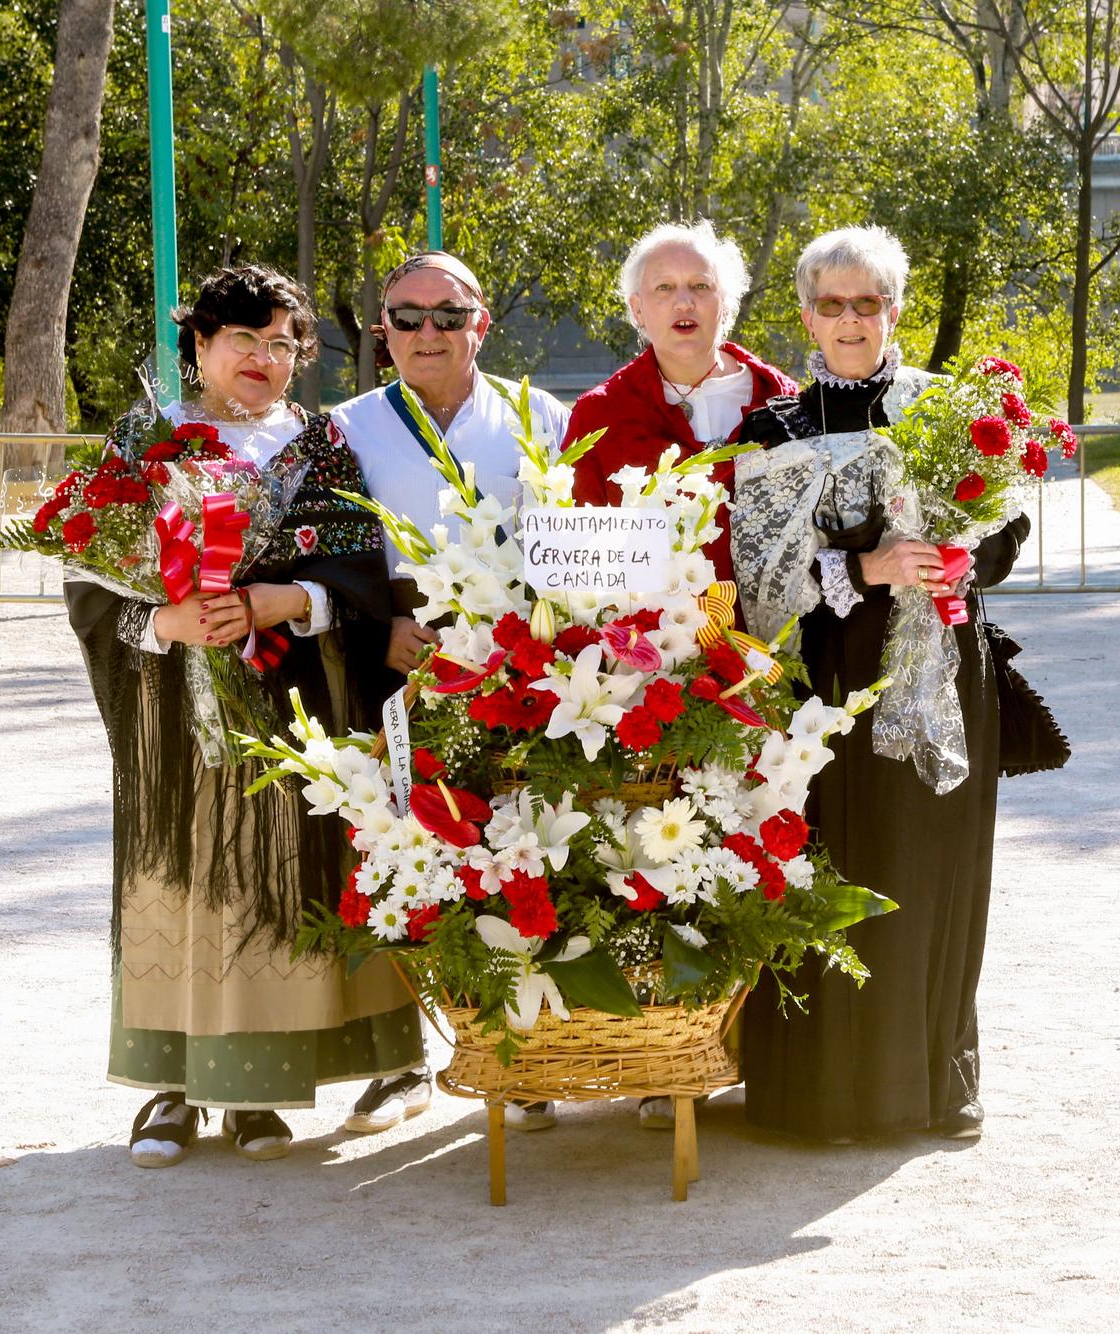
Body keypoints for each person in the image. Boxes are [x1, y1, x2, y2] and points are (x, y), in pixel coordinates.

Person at [65, 265, 424, 1168]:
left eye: (281, 344)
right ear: (199, 346)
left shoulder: (320, 448)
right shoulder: (147, 442)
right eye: (241, 340)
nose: (262, 360)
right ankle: (171, 1093)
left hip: (293, 700)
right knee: (183, 882)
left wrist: (287, 602)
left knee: (279, 879)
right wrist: (165, 620)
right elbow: (86, 575)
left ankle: (260, 1097)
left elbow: (359, 571)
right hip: (176, 711)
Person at [733, 226, 1031, 1142]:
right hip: (826, 679)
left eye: (868, 302)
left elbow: (1008, 527)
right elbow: (758, 574)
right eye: (832, 304)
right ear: (806, 316)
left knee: (934, 866)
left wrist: (957, 559)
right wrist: (864, 572)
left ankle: (939, 1082)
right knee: (829, 862)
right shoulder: (772, 428)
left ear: (894, 311)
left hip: (939, 666)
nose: (851, 320)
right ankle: (818, 1095)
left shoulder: (947, 408)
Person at [332, 251, 570, 1137]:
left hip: (512, 664)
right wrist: (372, 630)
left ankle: (528, 1053)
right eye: (406, 316)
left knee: (517, 849)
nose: (426, 332)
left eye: (447, 314)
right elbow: (326, 555)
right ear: (380, 328)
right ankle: (401, 1063)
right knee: (405, 848)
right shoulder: (346, 427)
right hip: (397, 657)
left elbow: (568, 544)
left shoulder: (538, 416)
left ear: (482, 323)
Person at [564, 219, 797, 582]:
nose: (684, 302)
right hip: (647, 636)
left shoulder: (783, 401)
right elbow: (577, 556)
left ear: (725, 302)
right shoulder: (600, 414)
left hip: (776, 636)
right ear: (638, 309)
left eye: (700, 286)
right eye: (665, 287)